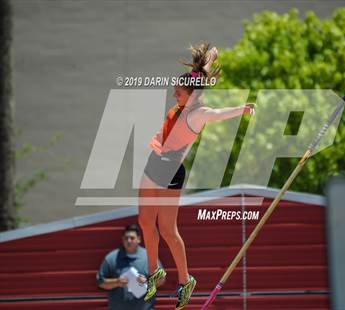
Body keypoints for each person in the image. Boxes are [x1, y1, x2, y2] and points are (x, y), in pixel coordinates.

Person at [138, 42, 256, 310]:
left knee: (167, 229)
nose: (174, 95)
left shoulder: (198, 114)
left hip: (170, 171)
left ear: (190, 95)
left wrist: (242, 109)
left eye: (178, 93)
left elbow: (217, 114)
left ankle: (185, 280)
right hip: (154, 163)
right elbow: (197, 76)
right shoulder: (184, 105)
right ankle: (155, 271)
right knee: (145, 222)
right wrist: (205, 62)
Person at [96, 224, 165, 310]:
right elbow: (101, 282)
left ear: (139, 239)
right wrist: (117, 282)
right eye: (126, 238)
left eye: (132, 238)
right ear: (122, 240)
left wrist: (147, 282)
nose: (129, 241)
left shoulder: (150, 257)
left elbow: (161, 280)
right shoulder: (111, 259)